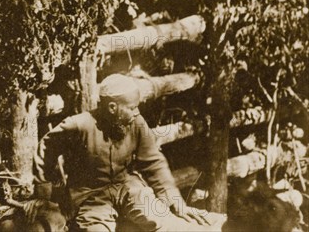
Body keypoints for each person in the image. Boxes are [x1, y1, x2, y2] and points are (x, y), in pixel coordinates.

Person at [23, 74, 212, 232]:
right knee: (94, 229)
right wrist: (44, 193)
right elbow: (47, 147)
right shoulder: (80, 125)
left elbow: (153, 162)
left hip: (128, 187)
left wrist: (173, 198)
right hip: (90, 196)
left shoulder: (136, 123)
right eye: (132, 108)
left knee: (159, 218)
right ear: (113, 108)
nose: (137, 112)